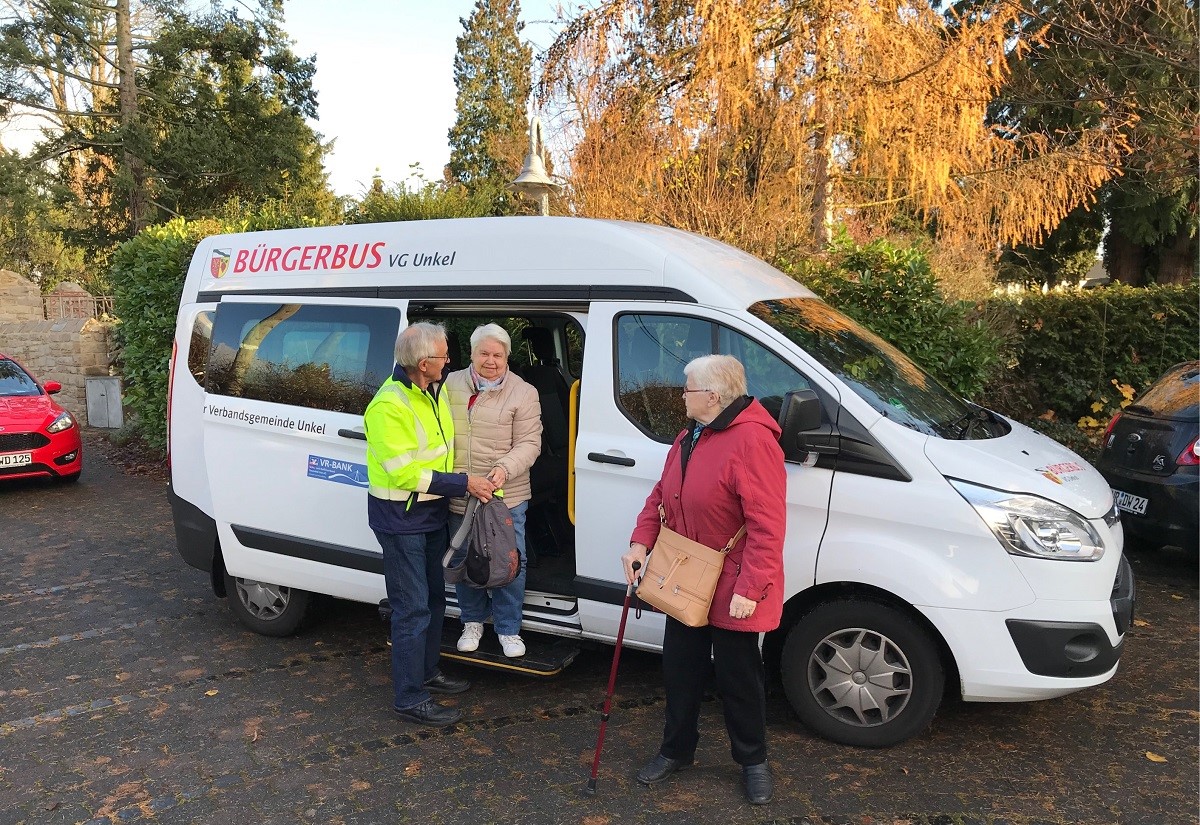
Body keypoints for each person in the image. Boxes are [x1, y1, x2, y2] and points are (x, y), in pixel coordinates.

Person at [620, 354, 787, 805]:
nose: (681, 394)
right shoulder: (689, 436)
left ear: (713, 396)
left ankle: (753, 761)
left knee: (738, 677)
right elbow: (660, 495)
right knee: (680, 670)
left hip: (733, 582)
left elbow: (767, 526)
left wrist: (750, 590)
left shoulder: (753, 441)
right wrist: (640, 544)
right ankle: (676, 751)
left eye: (687, 388)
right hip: (687, 575)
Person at [365, 322, 496, 728]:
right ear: (424, 364)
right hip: (400, 520)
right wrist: (464, 483)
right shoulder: (389, 405)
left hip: (429, 515)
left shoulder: (428, 391)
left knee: (435, 600)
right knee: (411, 609)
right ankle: (409, 697)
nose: (448, 361)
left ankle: (427, 672)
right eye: (443, 356)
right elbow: (405, 474)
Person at [445, 324, 542, 658]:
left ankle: (508, 628)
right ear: (471, 354)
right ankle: (472, 621)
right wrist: (453, 477)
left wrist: (503, 469)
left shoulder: (524, 392)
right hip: (461, 489)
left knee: (509, 561)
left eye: (497, 354)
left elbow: (530, 443)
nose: (491, 360)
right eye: (484, 353)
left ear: (507, 357)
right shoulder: (450, 383)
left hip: (506, 495)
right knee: (463, 555)